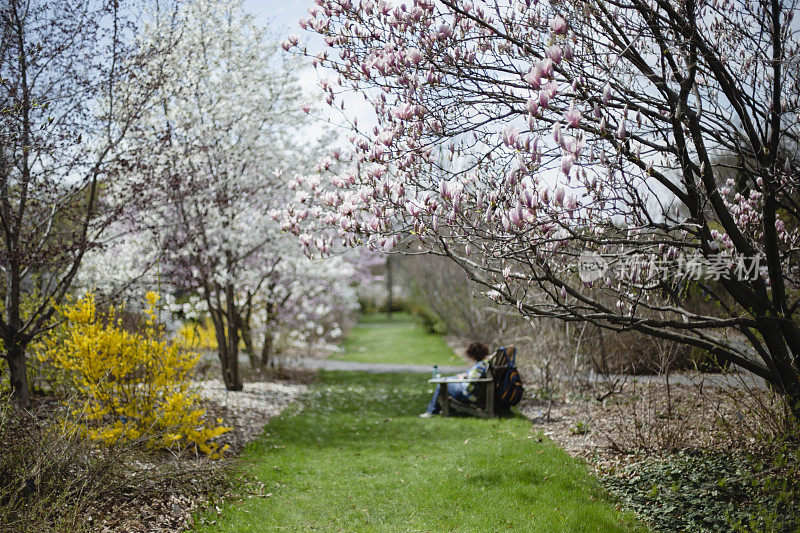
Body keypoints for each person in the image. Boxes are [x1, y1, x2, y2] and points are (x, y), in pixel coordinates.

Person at [419, 342, 490, 418]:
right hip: (476, 392)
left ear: (472, 355)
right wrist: (465, 376)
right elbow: (474, 379)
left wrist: (462, 379)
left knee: (442, 383)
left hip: (469, 395)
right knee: (447, 379)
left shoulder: (478, 367)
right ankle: (443, 409)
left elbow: (470, 385)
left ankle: (431, 412)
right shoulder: (483, 364)